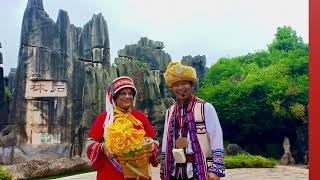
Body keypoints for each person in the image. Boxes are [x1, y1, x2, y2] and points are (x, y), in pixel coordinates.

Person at [160, 62, 225, 180]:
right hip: (174, 171)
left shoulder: (205, 107)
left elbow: (216, 137)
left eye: (184, 83)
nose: (180, 88)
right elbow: (165, 140)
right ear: (171, 87)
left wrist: (216, 169)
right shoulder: (170, 111)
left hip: (200, 171)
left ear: (192, 85)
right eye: (176, 84)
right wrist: (163, 169)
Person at [86, 76, 159, 180]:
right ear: (114, 97)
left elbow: (155, 141)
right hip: (110, 173)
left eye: (130, 94)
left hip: (138, 173)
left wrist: (151, 144)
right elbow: (89, 145)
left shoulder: (140, 117)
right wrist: (103, 147)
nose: (128, 96)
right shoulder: (105, 118)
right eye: (123, 93)